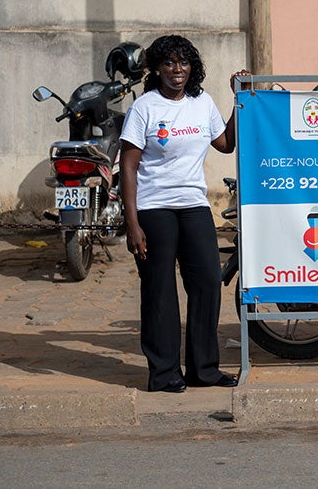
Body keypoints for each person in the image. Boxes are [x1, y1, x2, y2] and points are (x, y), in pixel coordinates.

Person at [120, 34, 249, 393]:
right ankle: (163, 374)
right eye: (169, 63)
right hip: (153, 208)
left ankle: (203, 370)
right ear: (157, 69)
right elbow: (128, 166)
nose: (177, 70)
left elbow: (225, 144)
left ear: (192, 67)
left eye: (184, 62)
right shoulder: (145, 108)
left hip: (193, 205)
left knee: (207, 281)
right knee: (159, 290)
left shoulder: (201, 101)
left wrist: (239, 100)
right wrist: (132, 223)